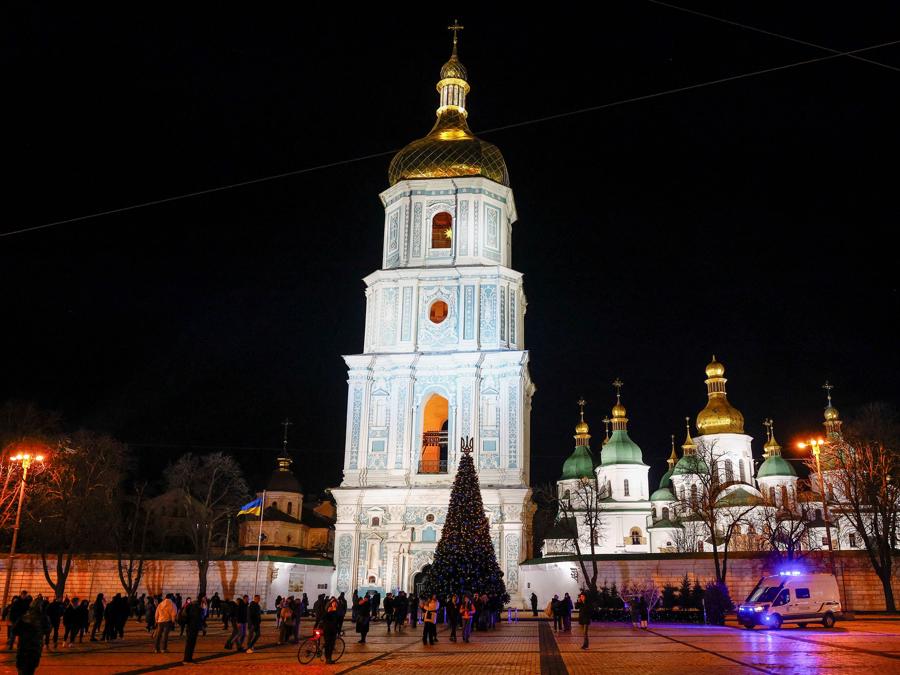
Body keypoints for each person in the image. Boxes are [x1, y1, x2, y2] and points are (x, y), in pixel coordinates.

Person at [13, 601, 49, 675]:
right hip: (35, 647)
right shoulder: (44, 618)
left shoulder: (23, 617)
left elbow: (14, 631)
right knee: (31, 669)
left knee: (21, 668)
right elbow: (48, 630)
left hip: (23, 647)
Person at [182, 594, 205, 665]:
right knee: (190, 643)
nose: (205, 599)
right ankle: (187, 660)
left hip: (191, 627)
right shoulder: (196, 607)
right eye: (204, 598)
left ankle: (188, 659)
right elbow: (198, 617)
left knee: (190, 643)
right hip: (192, 627)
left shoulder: (194, 605)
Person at [321, 597, 341, 665]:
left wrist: (339, 630)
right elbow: (323, 617)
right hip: (327, 629)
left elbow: (338, 622)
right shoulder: (328, 610)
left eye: (335, 603)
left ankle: (329, 658)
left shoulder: (337, 612)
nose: (334, 604)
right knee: (328, 644)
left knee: (332, 645)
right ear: (331, 604)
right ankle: (327, 659)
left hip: (334, 629)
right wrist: (328, 611)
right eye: (333, 603)